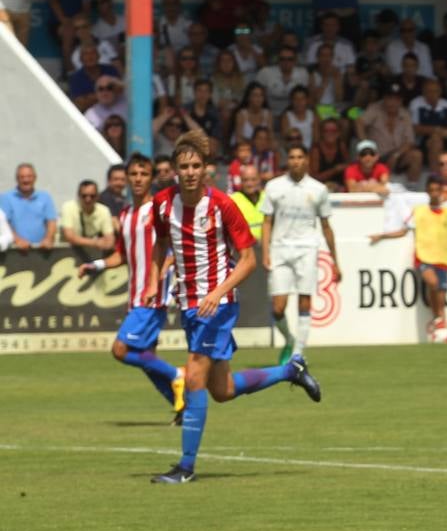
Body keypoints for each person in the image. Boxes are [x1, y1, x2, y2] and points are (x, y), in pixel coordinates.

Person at [146, 132, 322, 484]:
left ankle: (185, 467)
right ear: (175, 171)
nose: (191, 172)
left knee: (194, 375)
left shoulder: (223, 205)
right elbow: (162, 243)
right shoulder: (164, 203)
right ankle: (290, 371)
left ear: (206, 168)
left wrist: (218, 291)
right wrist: (155, 280)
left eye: (197, 165)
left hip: (219, 304)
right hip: (189, 302)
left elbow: (247, 261)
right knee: (222, 390)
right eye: (185, 167)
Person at [76, 154, 185, 421]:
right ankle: (184, 408)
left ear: (151, 178)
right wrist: (97, 266)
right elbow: (121, 255)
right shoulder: (125, 214)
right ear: (126, 178)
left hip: (152, 296)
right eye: (133, 174)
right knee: (147, 359)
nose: (138, 179)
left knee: (121, 350)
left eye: (143, 174)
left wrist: (164, 273)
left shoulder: (159, 210)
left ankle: (178, 375)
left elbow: (175, 247)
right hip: (135, 296)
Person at [368, 176, 447, 343]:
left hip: (443, 257)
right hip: (424, 256)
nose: (434, 193)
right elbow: (403, 231)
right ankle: (439, 325)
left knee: (441, 297)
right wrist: (382, 235)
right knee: (432, 283)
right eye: (431, 190)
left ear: (441, 192)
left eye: (437, 190)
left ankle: (441, 330)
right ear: (427, 192)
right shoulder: (419, 211)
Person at [261, 143, 340, 364]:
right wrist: (265, 251)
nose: (296, 161)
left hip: (307, 249)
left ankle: (297, 353)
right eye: (292, 157)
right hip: (280, 249)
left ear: (306, 160)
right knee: (278, 307)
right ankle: (289, 339)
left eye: (300, 157)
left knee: (305, 302)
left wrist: (336, 261)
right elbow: (267, 222)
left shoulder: (318, 189)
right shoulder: (274, 187)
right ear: (288, 160)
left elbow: (326, 226)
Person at [1, 163, 56, 252]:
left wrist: (48, 238)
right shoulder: (6, 198)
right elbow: (4, 223)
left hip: (41, 250)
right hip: (14, 251)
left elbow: (51, 221)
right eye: (22, 177)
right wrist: (17, 240)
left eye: (29, 176)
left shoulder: (45, 197)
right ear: (17, 179)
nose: (26, 180)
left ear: (35, 178)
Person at [59, 179, 115, 256]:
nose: (88, 199)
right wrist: (95, 243)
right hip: (64, 254)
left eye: (92, 196)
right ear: (78, 196)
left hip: (90, 255)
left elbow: (110, 239)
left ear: (97, 196)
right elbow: (69, 236)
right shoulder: (68, 207)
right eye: (84, 196)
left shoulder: (104, 210)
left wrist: (107, 244)